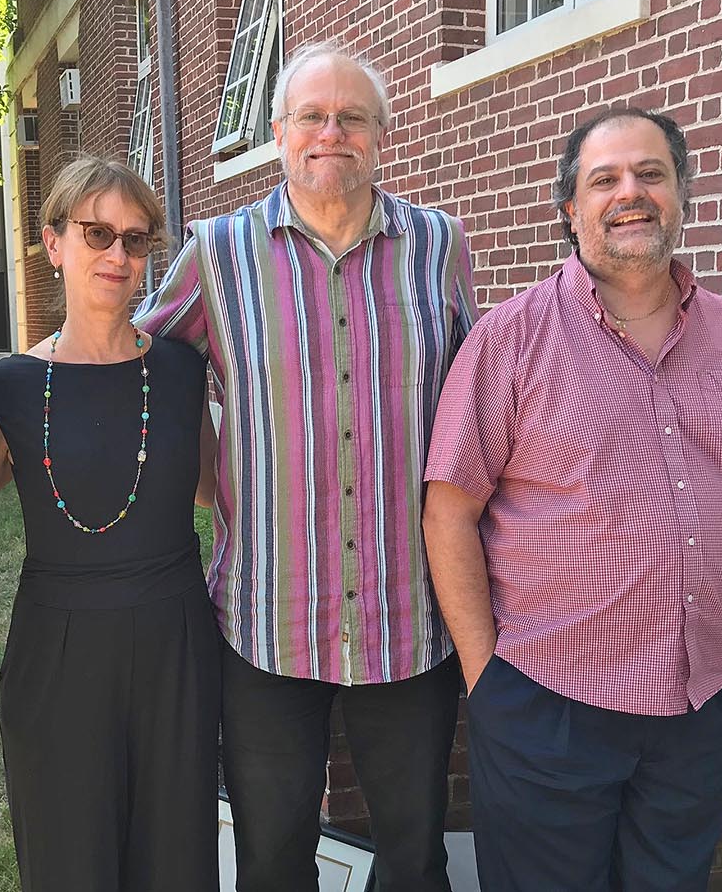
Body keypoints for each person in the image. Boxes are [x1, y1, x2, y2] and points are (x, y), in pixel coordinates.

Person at [135, 44, 478, 892]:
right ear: (280, 132)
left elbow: (480, 401)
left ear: (382, 135)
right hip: (265, 619)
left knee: (415, 855)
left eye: (352, 117)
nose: (333, 133)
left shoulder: (439, 245)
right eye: (312, 117)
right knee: (271, 854)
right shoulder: (216, 252)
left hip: (409, 619)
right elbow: (140, 371)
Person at [423, 106, 722, 892]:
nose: (630, 192)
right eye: (604, 178)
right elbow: (450, 509)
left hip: (703, 700)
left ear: (682, 191)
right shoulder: (510, 339)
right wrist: (489, 680)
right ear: (569, 208)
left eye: (651, 173)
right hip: (550, 704)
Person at [0, 156, 219, 891]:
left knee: (176, 859)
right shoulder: (10, 386)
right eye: (97, 233)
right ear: (53, 243)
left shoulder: (178, 369)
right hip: (59, 652)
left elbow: (212, 488)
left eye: (136, 241)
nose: (117, 255)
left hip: (175, 643)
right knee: (69, 856)